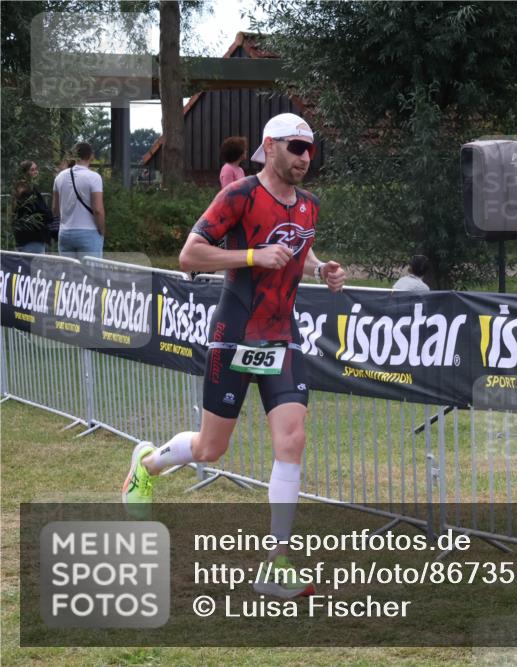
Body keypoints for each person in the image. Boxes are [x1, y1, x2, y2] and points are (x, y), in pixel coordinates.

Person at [122, 113, 347, 598]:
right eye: (295, 147)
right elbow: (189, 256)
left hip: (282, 338)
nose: (305, 157)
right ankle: (147, 464)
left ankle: (277, 563)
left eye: (310, 149)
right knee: (211, 449)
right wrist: (250, 257)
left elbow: (297, 249)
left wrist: (320, 267)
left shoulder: (309, 205)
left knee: (292, 440)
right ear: (270, 146)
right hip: (235, 333)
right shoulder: (240, 194)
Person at [52, 142, 104, 258]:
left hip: (65, 232)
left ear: (74, 156)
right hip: (88, 232)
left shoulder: (59, 177)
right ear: (91, 156)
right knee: (91, 275)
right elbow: (98, 210)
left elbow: (55, 209)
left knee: (69, 275)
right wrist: (101, 230)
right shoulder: (94, 177)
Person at [11, 160, 54, 253]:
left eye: (36, 169)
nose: (36, 172)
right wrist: (49, 215)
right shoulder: (29, 192)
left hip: (22, 237)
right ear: (25, 173)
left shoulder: (19, 190)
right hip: (34, 237)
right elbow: (40, 211)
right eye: (32, 170)